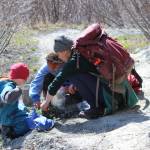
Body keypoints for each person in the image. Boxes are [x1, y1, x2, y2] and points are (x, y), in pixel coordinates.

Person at [40, 35, 139, 119]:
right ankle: (100, 105)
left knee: (74, 76)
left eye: (58, 53)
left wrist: (46, 103)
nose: (59, 57)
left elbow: (57, 82)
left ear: (64, 51)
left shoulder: (73, 62)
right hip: (117, 90)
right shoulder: (80, 52)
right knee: (76, 77)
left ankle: (98, 108)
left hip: (111, 93)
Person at [0, 63, 30, 139]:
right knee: (26, 124)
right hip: (7, 116)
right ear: (20, 78)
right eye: (25, 79)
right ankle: (9, 132)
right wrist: (19, 89)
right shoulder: (9, 86)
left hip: (5, 111)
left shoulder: (4, 81)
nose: (25, 81)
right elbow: (7, 97)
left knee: (23, 107)